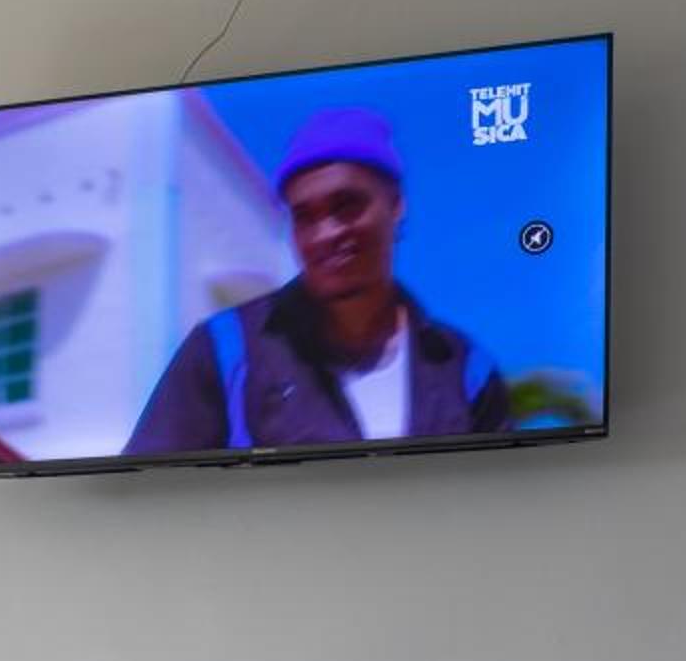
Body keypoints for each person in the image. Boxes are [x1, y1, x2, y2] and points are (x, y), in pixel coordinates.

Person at [123, 108, 508, 457]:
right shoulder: (225, 349)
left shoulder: (464, 369)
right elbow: (147, 488)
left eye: (347, 206)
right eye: (304, 217)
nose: (325, 234)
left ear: (395, 206)